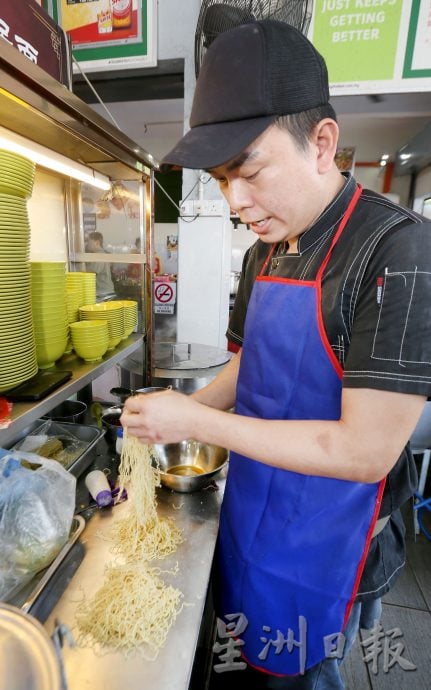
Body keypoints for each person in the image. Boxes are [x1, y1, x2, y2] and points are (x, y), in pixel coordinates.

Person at [120, 20, 431, 689]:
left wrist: (196, 423)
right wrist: (174, 412)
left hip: (328, 541)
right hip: (254, 514)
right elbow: (247, 363)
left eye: (249, 171)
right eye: (222, 179)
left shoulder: (397, 251)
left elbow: (363, 451)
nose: (235, 202)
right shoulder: (267, 248)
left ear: (322, 143)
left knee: (300, 675)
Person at [86, 230, 115, 300]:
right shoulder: (101, 254)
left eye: (89, 241)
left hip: (103, 293)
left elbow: (91, 273)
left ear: (97, 242)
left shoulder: (99, 255)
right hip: (105, 291)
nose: (87, 244)